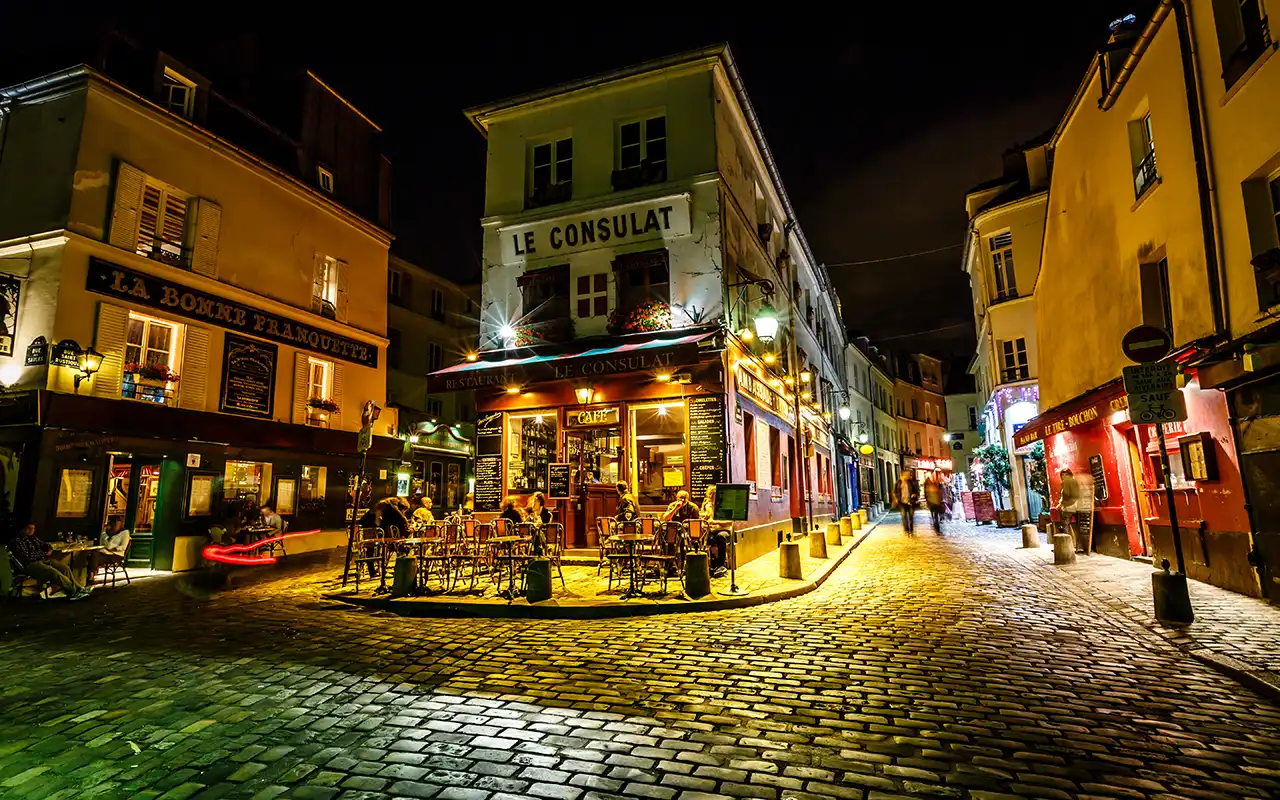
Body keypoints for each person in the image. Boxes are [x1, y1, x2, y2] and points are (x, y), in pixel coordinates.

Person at [7, 523, 90, 600]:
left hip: (42, 560)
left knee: (64, 568)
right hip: (30, 564)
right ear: (23, 529)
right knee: (54, 573)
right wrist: (44, 553)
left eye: (33, 529)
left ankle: (79, 589)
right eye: (29, 529)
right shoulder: (17, 541)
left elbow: (44, 545)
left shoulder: (32, 538)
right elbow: (28, 556)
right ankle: (73, 591)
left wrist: (48, 549)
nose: (32, 531)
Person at [1057, 468, 1080, 542]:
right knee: (1077, 526)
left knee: (1065, 525)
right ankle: (1077, 544)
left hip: (1069, 506)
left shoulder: (1066, 482)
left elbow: (1066, 495)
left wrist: (1061, 504)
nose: (1063, 476)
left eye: (1064, 474)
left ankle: (1066, 544)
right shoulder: (1074, 481)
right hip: (1077, 506)